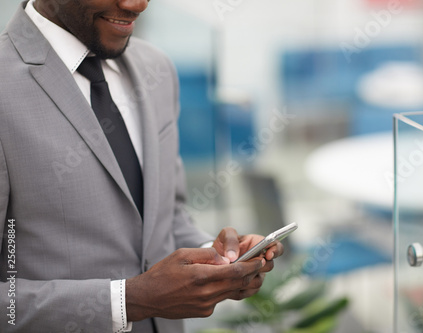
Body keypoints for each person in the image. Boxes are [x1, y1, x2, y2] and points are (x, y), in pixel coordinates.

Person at [0, 1, 283, 332]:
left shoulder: (157, 68)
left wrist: (216, 259)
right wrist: (127, 300)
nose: (137, 4)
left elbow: (167, 217)